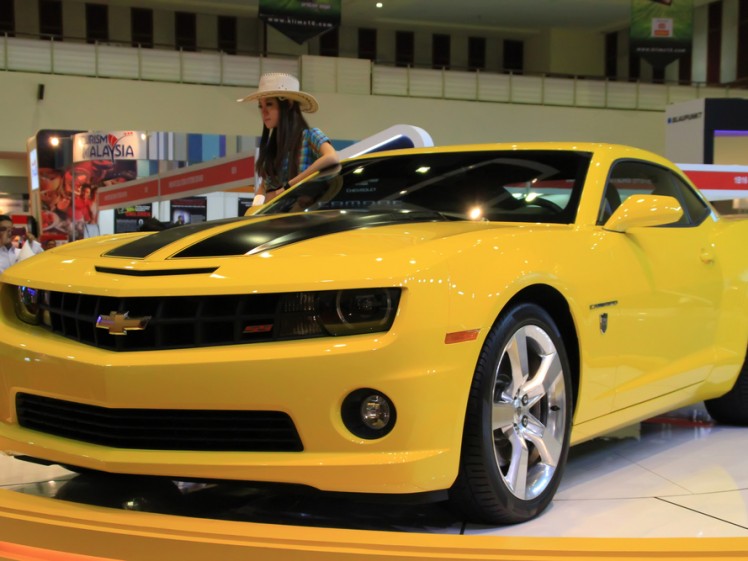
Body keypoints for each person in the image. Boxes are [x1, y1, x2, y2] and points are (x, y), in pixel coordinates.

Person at [238, 73, 339, 206]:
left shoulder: (309, 135)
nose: (264, 112)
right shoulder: (271, 149)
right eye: (260, 106)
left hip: (303, 218)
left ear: (289, 104)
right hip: (275, 219)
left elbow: (332, 158)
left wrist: (287, 188)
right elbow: (263, 189)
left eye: (269, 104)